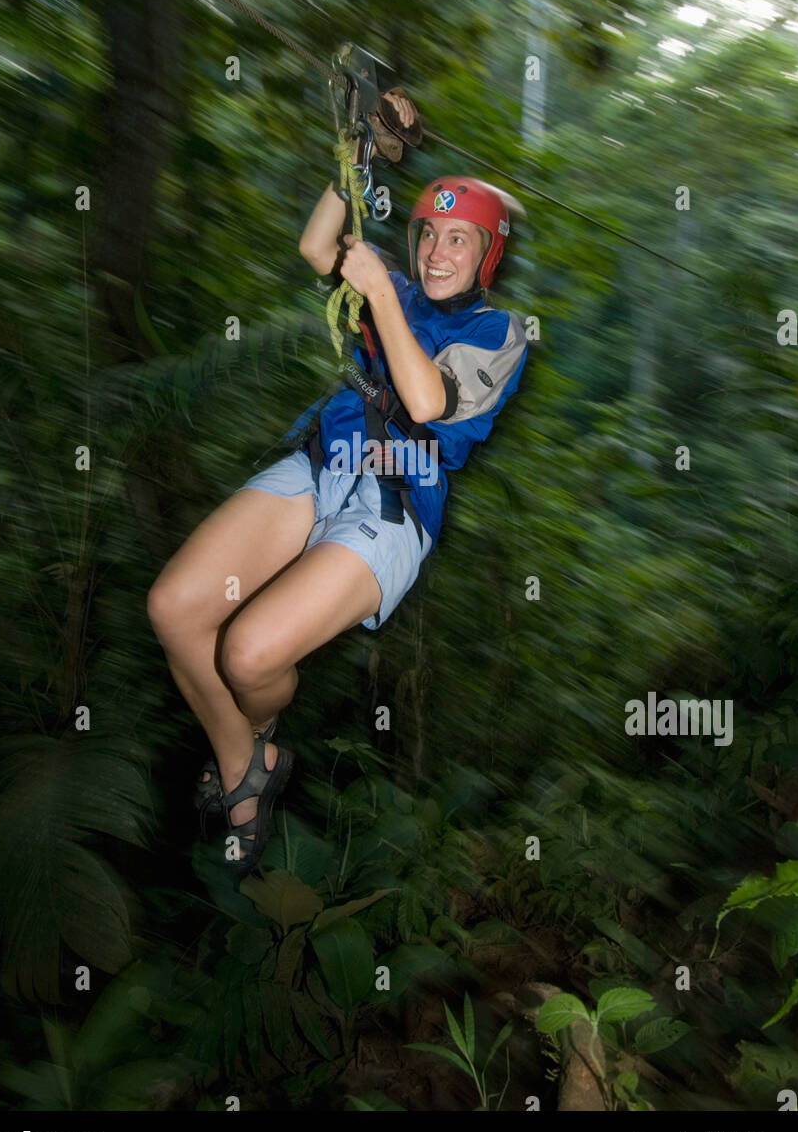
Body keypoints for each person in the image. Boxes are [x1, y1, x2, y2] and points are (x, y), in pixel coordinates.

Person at [146, 92, 529, 872]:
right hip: (322, 465)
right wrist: (361, 152)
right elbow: (319, 246)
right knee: (175, 608)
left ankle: (248, 755)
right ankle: (245, 766)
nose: (436, 252)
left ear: (486, 254)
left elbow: (427, 402)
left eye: (460, 239)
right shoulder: (398, 287)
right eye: (428, 234)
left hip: (395, 503)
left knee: (248, 658)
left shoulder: (500, 333)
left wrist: (382, 291)